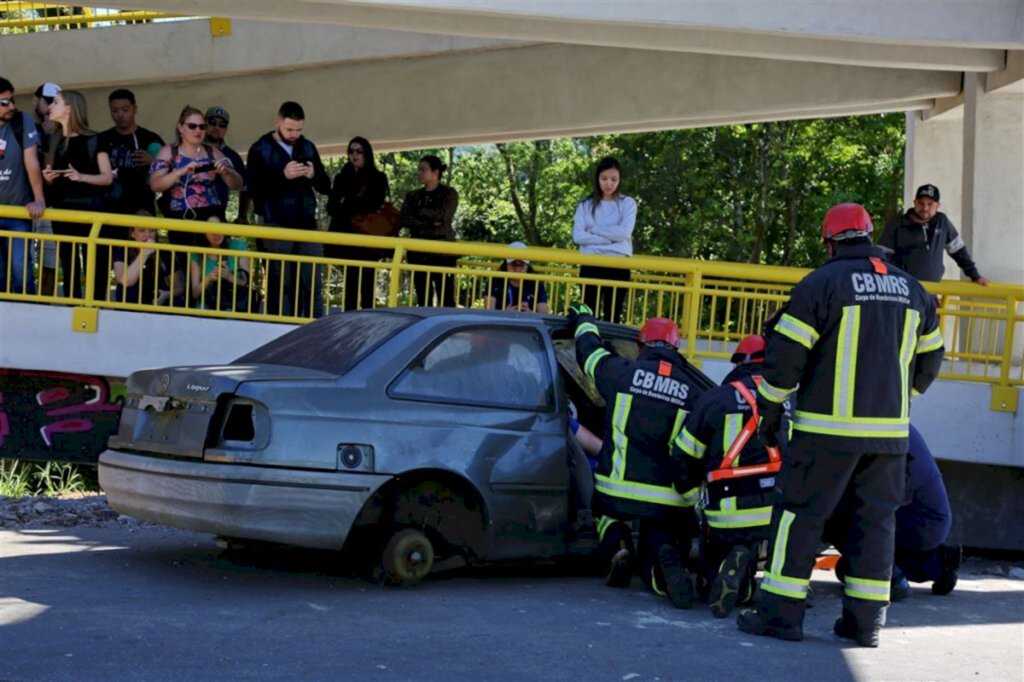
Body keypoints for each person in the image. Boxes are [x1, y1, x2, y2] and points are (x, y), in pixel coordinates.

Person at [736, 203, 944, 648]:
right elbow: (930, 362)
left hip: (824, 435)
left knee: (799, 516)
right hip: (888, 439)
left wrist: (770, 410)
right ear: (870, 236)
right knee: (874, 524)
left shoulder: (820, 285)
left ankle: (780, 614)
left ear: (829, 242)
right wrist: (898, 402)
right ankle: (865, 624)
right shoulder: (914, 291)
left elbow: (786, 360)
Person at [569, 303, 705, 608]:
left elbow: (588, 353)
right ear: (676, 347)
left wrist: (585, 320)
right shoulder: (694, 392)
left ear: (640, 345)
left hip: (616, 492)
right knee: (660, 541)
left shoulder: (620, 372)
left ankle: (618, 547)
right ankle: (659, 571)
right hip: (669, 502)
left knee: (602, 509)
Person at [672, 334, 790, 618]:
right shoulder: (792, 400)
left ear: (739, 362)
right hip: (777, 512)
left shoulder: (715, 399)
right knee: (758, 543)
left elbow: (683, 456)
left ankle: (731, 568)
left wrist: (691, 499)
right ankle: (750, 575)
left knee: (711, 578)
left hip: (727, 514)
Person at [827, 424, 961, 601]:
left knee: (826, 503)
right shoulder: (888, 408)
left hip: (916, 520)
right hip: (931, 520)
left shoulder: (861, 416)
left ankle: (885, 576)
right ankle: (936, 565)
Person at [246, 101, 330, 318]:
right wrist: (282, 176)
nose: (294, 134)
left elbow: (325, 186)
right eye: (289, 129)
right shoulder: (260, 149)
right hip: (276, 223)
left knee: (312, 282)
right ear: (277, 122)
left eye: (299, 130)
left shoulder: (308, 147)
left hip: (307, 224)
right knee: (280, 282)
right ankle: (279, 327)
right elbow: (254, 190)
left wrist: (313, 175)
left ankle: (314, 326)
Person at [41, 89, 114, 300]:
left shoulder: (94, 139)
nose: (50, 107)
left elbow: (107, 177)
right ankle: (73, 306)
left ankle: (95, 307)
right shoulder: (54, 139)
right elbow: (53, 179)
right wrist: (49, 177)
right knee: (68, 261)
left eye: (56, 102)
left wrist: (81, 177)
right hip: (63, 211)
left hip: (91, 210)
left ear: (69, 108)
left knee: (95, 264)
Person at [149, 105, 242, 248]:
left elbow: (237, 184)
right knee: (185, 265)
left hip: (211, 218)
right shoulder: (169, 151)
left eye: (202, 127)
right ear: (180, 127)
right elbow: (155, 185)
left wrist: (227, 172)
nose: (198, 130)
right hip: (180, 219)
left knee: (211, 265)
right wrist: (179, 172)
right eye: (192, 126)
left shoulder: (213, 152)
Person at [325, 136, 390, 311]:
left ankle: (367, 321)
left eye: (359, 151)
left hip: (368, 240)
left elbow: (373, 204)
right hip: (348, 240)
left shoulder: (377, 178)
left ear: (366, 153)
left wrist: (347, 204)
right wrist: (351, 206)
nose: (355, 154)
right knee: (350, 284)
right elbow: (331, 207)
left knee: (368, 285)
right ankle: (349, 321)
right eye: (351, 151)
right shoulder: (342, 177)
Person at [878, 184, 989, 285]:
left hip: (933, 292)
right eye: (921, 203)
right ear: (914, 202)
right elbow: (881, 256)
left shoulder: (942, 222)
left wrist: (975, 276)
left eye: (930, 204)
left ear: (937, 206)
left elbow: (958, 250)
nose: (925, 208)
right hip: (904, 289)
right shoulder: (896, 224)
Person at [572, 156, 636, 323]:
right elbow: (578, 236)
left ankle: (609, 347)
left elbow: (624, 233)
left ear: (620, 180)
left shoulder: (628, 203)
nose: (609, 184)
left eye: (614, 179)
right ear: (597, 179)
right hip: (591, 264)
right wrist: (610, 241)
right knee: (588, 315)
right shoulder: (584, 205)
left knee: (612, 317)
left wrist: (593, 230)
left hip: (618, 266)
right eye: (604, 178)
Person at [0, 76, 46, 295]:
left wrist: (38, 199)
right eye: (4, 103)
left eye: (12, 100)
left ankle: (27, 313)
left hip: (18, 210)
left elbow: (31, 161)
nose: (11, 106)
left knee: (21, 270)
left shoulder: (21, 120)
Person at [400, 154, 459, 308]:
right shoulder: (412, 196)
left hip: (443, 253)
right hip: (418, 253)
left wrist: (419, 218)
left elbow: (443, 217)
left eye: (423, 170)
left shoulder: (449, 193)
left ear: (436, 172)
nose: (419, 173)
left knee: (445, 296)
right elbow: (405, 219)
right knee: (423, 297)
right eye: (419, 170)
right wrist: (431, 221)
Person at [100, 88, 164, 217]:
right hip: (108, 209)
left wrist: (153, 162)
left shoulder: (150, 138)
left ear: (135, 109)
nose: (120, 114)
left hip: (142, 208)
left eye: (125, 109)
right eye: (114, 110)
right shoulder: (102, 139)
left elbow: (173, 168)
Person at [29, 83, 60, 295]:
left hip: (53, 204)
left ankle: (45, 304)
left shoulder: (64, 130)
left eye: (55, 102)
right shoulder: (22, 126)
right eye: (47, 101)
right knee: (22, 258)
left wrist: (54, 136)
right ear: (35, 100)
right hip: (24, 203)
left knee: (51, 261)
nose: (50, 106)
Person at [111, 226, 184, 306]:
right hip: (127, 309)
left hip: (157, 309)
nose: (148, 235)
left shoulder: (165, 253)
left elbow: (179, 288)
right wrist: (144, 253)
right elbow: (126, 281)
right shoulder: (122, 250)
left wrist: (167, 294)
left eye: (152, 231)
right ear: (132, 234)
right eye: (142, 230)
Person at [189, 227, 255, 313]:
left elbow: (248, 285)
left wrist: (229, 277)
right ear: (204, 234)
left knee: (230, 314)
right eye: (212, 231)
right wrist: (209, 278)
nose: (217, 234)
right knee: (202, 312)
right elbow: (195, 294)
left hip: (234, 303)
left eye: (219, 228)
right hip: (207, 303)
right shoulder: (196, 253)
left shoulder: (239, 246)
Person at [203, 105, 246, 222]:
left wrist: (242, 215)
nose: (217, 127)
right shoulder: (190, 148)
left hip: (218, 215)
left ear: (226, 129)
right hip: (188, 214)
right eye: (212, 122)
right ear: (204, 124)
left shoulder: (232, 156)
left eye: (222, 124)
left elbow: (244, 187)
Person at [485, 241, 550, 313]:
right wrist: (505, 314)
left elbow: (544, 316)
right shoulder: (495, 281)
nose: (518, 269)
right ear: (506, 264)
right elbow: (489, 314)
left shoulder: (537, 284)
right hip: (501, 324)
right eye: (513, 264)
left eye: (522, 264)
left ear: (527, 266)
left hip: (528, 324)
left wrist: (530, 314)